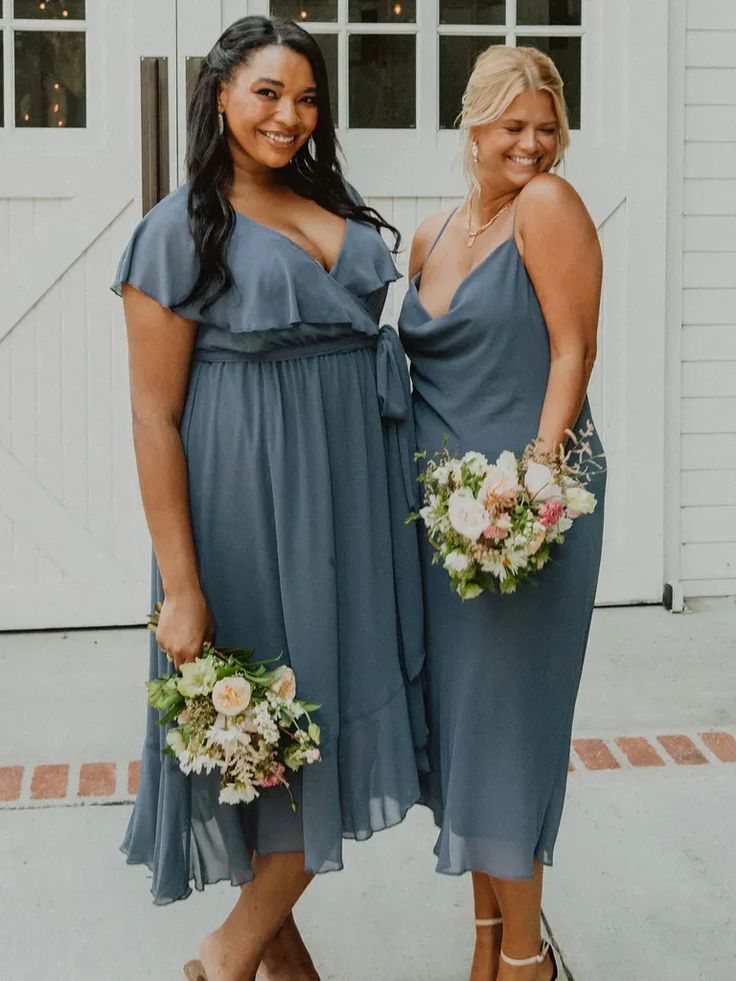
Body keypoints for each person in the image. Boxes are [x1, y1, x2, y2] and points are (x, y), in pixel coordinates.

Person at [112, 16, 425, 981]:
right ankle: (227, 955)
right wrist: (181, 585)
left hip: (352, 500)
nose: (290, 116)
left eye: (307, 98)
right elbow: (154, 419)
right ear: (218, 96)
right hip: (247, 507)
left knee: (323, 719)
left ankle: (277, 964)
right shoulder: (175, 232)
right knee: (283, 734)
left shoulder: (329, 198)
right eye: (267, 94)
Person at [398, 45, 607, 981]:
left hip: (529, 510)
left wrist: (531, 483)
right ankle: (487, 946)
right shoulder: (428, 235)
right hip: (442, 519)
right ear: (471, 126)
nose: (533, 143)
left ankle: (526, 961)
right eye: (513, 125)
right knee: (466, 733)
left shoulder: (548, 209)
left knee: (505, 733)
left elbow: (573, 351)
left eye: (547, 125)